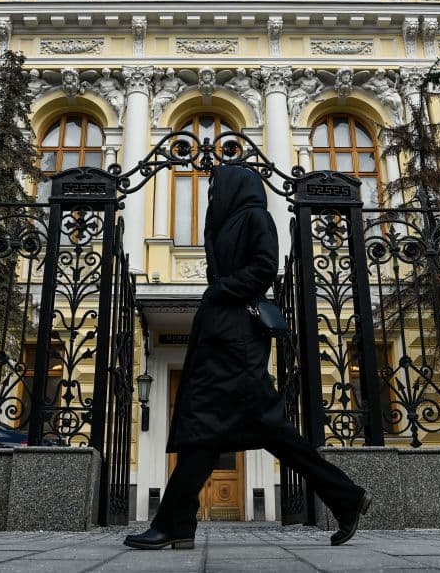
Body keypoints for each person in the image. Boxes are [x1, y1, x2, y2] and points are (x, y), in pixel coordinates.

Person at [123, 165, 371, 551]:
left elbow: (264, 268)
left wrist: (218, 290)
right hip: (221, 338)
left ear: (236, 187)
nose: (210, 195)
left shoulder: (255, 217)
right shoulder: (224, 223)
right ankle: (345, 498)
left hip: (235, 342)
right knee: (226, 429)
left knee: (211, 424)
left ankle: (175, 523)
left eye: (215, 188)